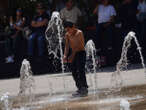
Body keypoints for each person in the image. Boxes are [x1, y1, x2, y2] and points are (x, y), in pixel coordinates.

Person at [63, 21, 88, 97]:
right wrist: (65, 56)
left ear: (73, 27)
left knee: (80, 70)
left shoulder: (79, 33)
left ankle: (84, 87)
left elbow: (79, 46)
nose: (68, 32)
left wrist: (72, 56)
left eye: (69, 30)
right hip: (73, 53)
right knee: (73, 71)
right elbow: (67, 46)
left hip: (80, 52)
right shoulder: (67, 34)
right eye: (66, 30)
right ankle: (79, 88)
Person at [93, 0, 116, 66]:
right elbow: (94, 12)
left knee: (109, 33)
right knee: (97, 34)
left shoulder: (111, 7)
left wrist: (107, 23)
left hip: (108, 23)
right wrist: (98, 4)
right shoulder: (99, 6)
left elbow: (112, 18)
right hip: (100, 24)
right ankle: (98, 48)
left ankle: (110, 48)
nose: (104, 1)